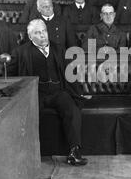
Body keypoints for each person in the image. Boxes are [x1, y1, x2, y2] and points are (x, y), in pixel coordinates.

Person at [8, 19, 87, 166]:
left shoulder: (59, 49)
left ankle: (74, 151)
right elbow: (11, 78)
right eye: (37, 32)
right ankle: (25, 154)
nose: (43, 35)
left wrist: (78, 92)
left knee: (72, 109)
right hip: (35, 94)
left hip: (58, 92)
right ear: (30, 36)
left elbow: (70, 74)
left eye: (44, 31)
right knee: (27, 115)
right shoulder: (20, 52)